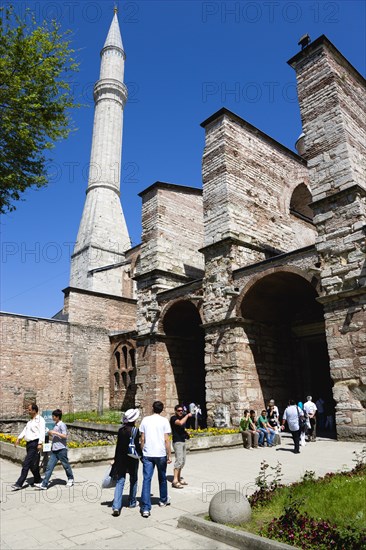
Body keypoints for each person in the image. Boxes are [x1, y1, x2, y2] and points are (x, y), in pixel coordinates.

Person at [139, 401, 172, 518]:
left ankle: (146, 508)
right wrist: (169, 454)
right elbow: (166, 440)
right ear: (162, 409)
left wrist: (143, 451)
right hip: (160, 453)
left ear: (152, 408)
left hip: (148, 453)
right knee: (162, 477)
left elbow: (142, 439)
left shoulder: (145, 420)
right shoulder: (164, 421)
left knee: (146, 480)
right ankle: (163, 500)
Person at [110, 408, 141, 516]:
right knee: (133, 479)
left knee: (120, 481)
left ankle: (116, 506)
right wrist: (141, 456)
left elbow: (118, 446)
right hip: (131, 458)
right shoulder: (135, 431)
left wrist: (114, 459)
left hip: (121, 458)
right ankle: (132, 501)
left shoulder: (121, 430)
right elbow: (137, 445)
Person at [35, 409, 74, 490]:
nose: (52, 417)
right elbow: (55, 436)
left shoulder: (62, 425)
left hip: (61, 450)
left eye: (53, 416)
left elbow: (65, 436)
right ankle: (44, 484)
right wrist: (50, 433)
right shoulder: (55, 425)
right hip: (54, 450)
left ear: (57, 417)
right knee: (49, 467)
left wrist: (55, 433)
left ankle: (70, 479)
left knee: (66, 465)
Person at [12, 403, 45, 490]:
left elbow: (42, 432)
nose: (28, 411)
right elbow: (25, 430)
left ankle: (19, 483)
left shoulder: (40, 420)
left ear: (34, 410)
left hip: (35, 443)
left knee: (26, 463)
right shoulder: (30, 422)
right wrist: (18, 438)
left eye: (29, 410)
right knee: (32, 465)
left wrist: (40, 443)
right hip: (29, 444)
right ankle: (37, 479)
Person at [170, 404, 191, 488]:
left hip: (182, 441)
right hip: (177, 442)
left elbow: (181, 428)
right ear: (175, 411)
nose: (180, 412)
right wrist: (187, 416)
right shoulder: (173, 418)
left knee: (182, 461)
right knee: (178, 460)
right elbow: (180, 423)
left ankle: (178, 478)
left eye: (182, 410)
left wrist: (186, 434)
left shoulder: (182, 418)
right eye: (179, 410)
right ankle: (175, 480)